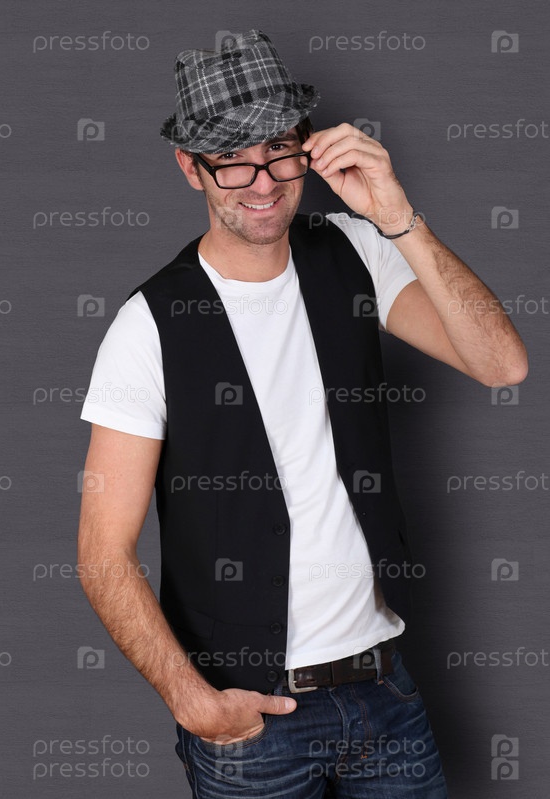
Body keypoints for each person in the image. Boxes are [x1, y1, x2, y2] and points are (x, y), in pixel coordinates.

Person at [77, 29, 527, 798]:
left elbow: (500, 363)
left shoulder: (355, 249)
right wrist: (191, 700)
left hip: (384, 692)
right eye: (231, 158)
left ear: (306, 149)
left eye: (279, 151)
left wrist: (397, 214)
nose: (261, 181)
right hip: (253, 723)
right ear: (190, 166)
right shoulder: (147, 325)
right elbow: (101, 551)